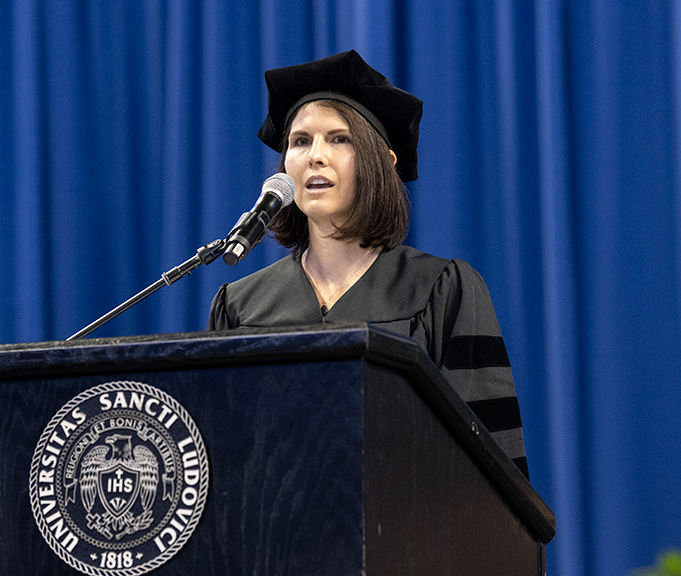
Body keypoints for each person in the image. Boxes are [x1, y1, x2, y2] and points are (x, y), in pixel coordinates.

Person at [207, 50, 528, 477]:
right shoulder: (241, 306)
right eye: (300, 141)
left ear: (383, 163)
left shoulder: (439, 289)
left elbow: (492, 467)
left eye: (339, 138)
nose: (314, 156)